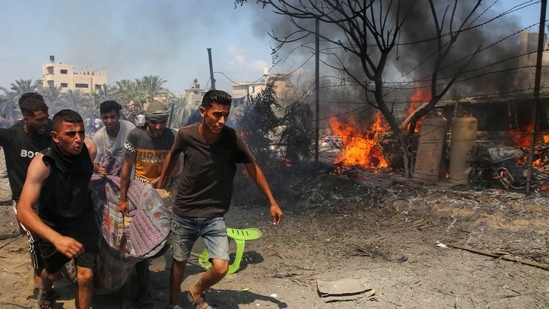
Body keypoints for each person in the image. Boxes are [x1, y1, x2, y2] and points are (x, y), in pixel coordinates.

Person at [157, 90, 283, 309]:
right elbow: (173, 154)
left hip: (214, 214)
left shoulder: (233, 139)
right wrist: (161, 182)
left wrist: (272, 201)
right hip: (184, 210)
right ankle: (173, 303)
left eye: (226, 114)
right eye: (217, 115)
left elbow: (254, 169)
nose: (222, 120)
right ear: (203, 112)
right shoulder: (186, 135)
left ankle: (196, 291)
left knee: (221, 267)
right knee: (179, 261)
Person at [16, 109, 98, 309]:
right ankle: (46, 289)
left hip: (83, 222)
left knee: (86, 276)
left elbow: (83, 176)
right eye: (70, 134)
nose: (78, 139)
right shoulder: (43, 163)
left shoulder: (89, 150)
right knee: (52, 273)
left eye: (81, 132)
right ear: (55, 136)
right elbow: (23, 210)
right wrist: (56, 239)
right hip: (53, 225)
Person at [117, 101, 179, 308]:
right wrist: (123, 198)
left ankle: (144, 276)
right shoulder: (135, 135)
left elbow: (176, 164)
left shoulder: (171, 137)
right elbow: (126, 167)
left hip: (164, 193)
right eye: (154, 122)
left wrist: (160, 181)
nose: (158, 127)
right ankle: (143, 289)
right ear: (147, 120)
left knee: (162, 241)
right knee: (142, 240)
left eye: (162, 122)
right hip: (141, 193)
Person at [0, 92, 52, 294]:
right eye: (39, 120)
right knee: (36, 239)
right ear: (26, 117)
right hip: (24, 202)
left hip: (50, 197)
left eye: (46, 119)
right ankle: (39, 281)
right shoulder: (12, 136)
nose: (44, 124)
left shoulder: (51, 132)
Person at [92, 100, 136, 176]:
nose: (109, 121)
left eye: (112, 117)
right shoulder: (98, 137)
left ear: (118, 116)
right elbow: (94, 162)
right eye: (105, 117)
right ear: (101, 118)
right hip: (108, 178)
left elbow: (137, 155)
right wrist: (99, 169)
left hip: (128, 177)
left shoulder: (130, 129)